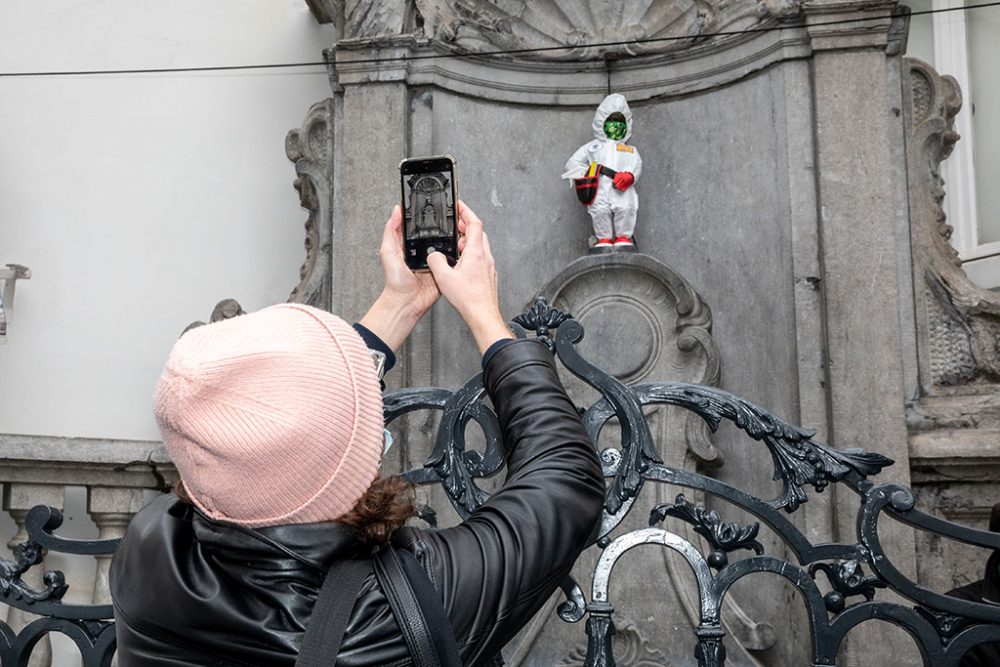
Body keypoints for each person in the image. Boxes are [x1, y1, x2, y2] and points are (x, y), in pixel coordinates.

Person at [109, 202, 606, 666]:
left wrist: (398, 306)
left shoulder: (149, 547)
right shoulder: (396, 608)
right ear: (348, 466)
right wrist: (487, 318)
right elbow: (565, 485)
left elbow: (282, 429)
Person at [562, 93, 642, 250]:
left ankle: (622, 236)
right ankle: (604, 238)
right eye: (612, 121)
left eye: (620, 121)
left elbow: (637, 164)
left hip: (623, 189)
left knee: (626, 208)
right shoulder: (592, 147)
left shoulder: (630, 150)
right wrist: (589, 173)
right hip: (599, 188)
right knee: (600, 211)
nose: (616, 125)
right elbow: (573, 162)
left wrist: (630, 176)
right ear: (602, 121)